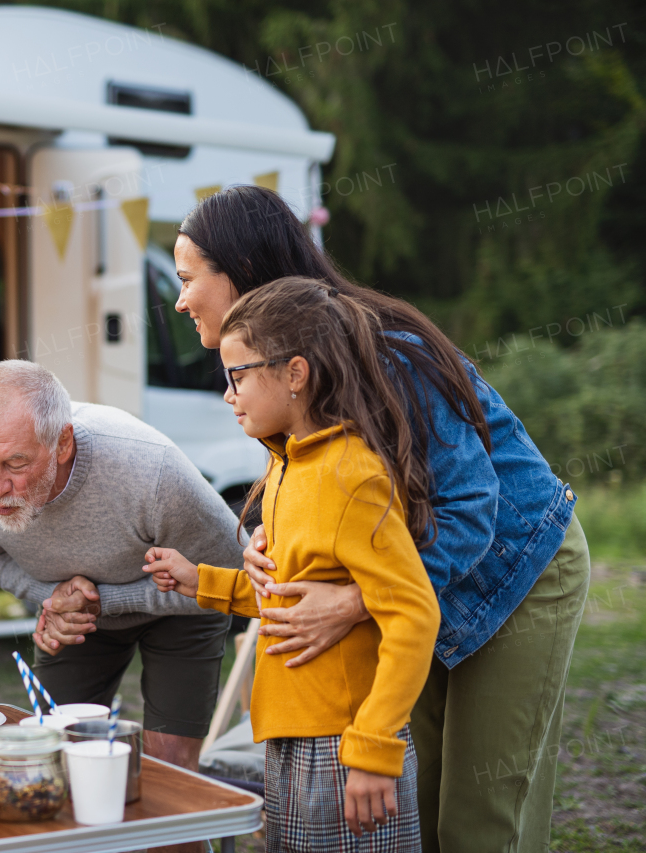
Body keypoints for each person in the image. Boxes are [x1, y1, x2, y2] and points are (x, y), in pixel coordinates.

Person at [171, 184, 590, 853]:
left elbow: (471, 504)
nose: (180, 298)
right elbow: (324, 484)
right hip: (409, 585)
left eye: (189, 279)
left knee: (478, 822)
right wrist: (268, 539)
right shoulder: (274, 372)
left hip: (515, 569)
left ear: (244, 273)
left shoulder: (380, 350)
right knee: (411, 809)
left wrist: (357, 600)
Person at [146, 278, 439, 850]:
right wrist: (199, 581)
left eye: (238, 376)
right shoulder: (286, 465)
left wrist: (375, 749)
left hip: (343, 746)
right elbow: (291, 595)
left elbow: (413, 614)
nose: (228, 395)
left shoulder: (351, 475)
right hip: (289, 738)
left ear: (295, 374)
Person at [0, 359, 246, 774]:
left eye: (15, 464)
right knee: (54, 755)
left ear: (63, 443)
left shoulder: (153, 472)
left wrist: (102, 601)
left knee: (168, 767)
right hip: (77, 619)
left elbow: (233, 575)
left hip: (181, 609)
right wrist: (54, 600)